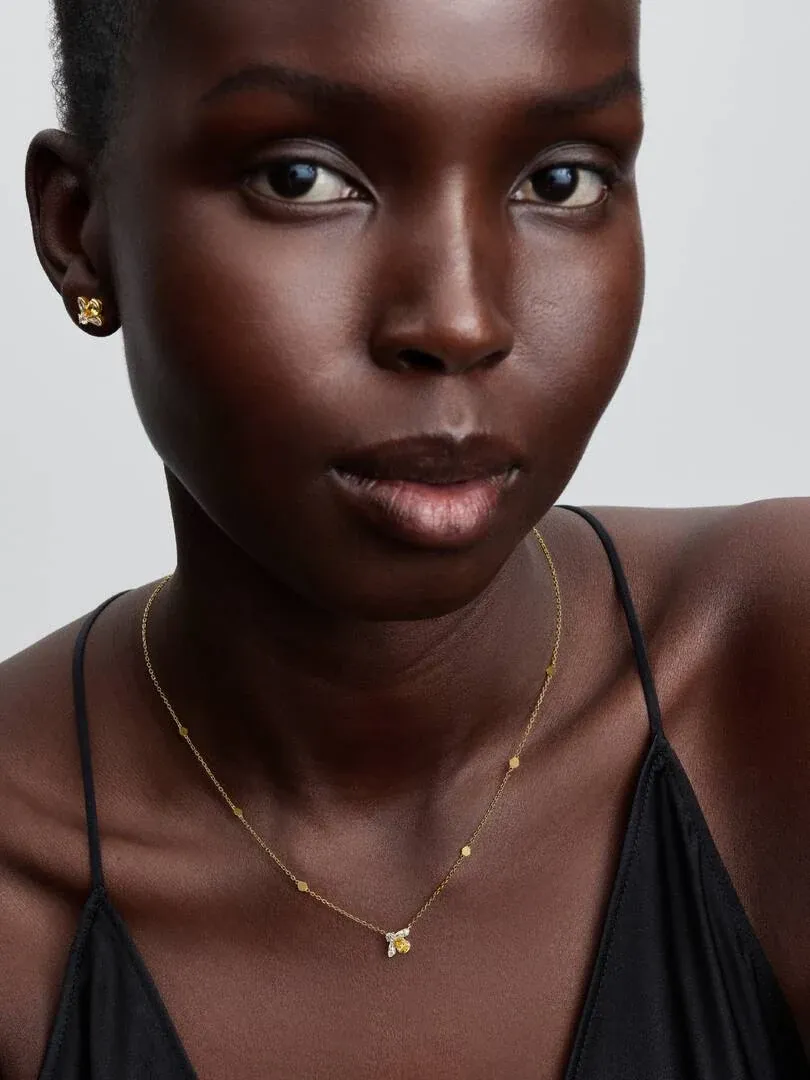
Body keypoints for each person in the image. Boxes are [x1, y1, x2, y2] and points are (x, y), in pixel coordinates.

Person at [2, 0, 808, 1076]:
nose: (459, 321)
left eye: (561, 179)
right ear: (78, 227)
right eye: (302, 178)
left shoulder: (774, 684)